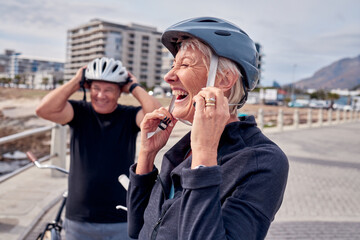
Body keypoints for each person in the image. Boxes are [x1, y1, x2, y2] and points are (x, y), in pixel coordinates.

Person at [127, 17, 289, 240]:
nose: (168, 76)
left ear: (223, 80)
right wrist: (146, 155)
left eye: (184, 65)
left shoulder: (262, 160)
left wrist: (204, 154)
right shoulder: (182, 151)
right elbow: (137, 229)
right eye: (173, 65)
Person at [36, 57, 162, 240]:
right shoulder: (79, 112)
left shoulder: (128, 116)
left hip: (122, 217)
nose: (101, 95)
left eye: (109, 89)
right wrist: (75, 82)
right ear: (88, 88)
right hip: (79, 219)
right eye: (96, 88)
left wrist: (134, 87)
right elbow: (43, 110)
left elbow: (157, 118)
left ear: (120, 91)